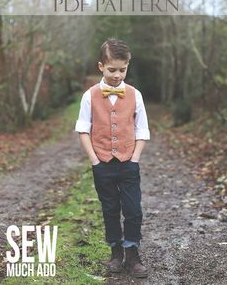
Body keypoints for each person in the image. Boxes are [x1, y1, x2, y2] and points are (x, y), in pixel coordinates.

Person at [75, 38, 150, 278]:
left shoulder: (135, 95)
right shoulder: (90, 95)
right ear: (101, 66)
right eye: (112, 70)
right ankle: (116, 252)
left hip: (129, 162)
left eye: (123, 69)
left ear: (128, 66)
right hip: (102, 164)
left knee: (132, 209)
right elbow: (83, 129)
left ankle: (132, 253)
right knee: (109, 208)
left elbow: (142, 129)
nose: (118, 75)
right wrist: (95, 161)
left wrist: (135, 158)